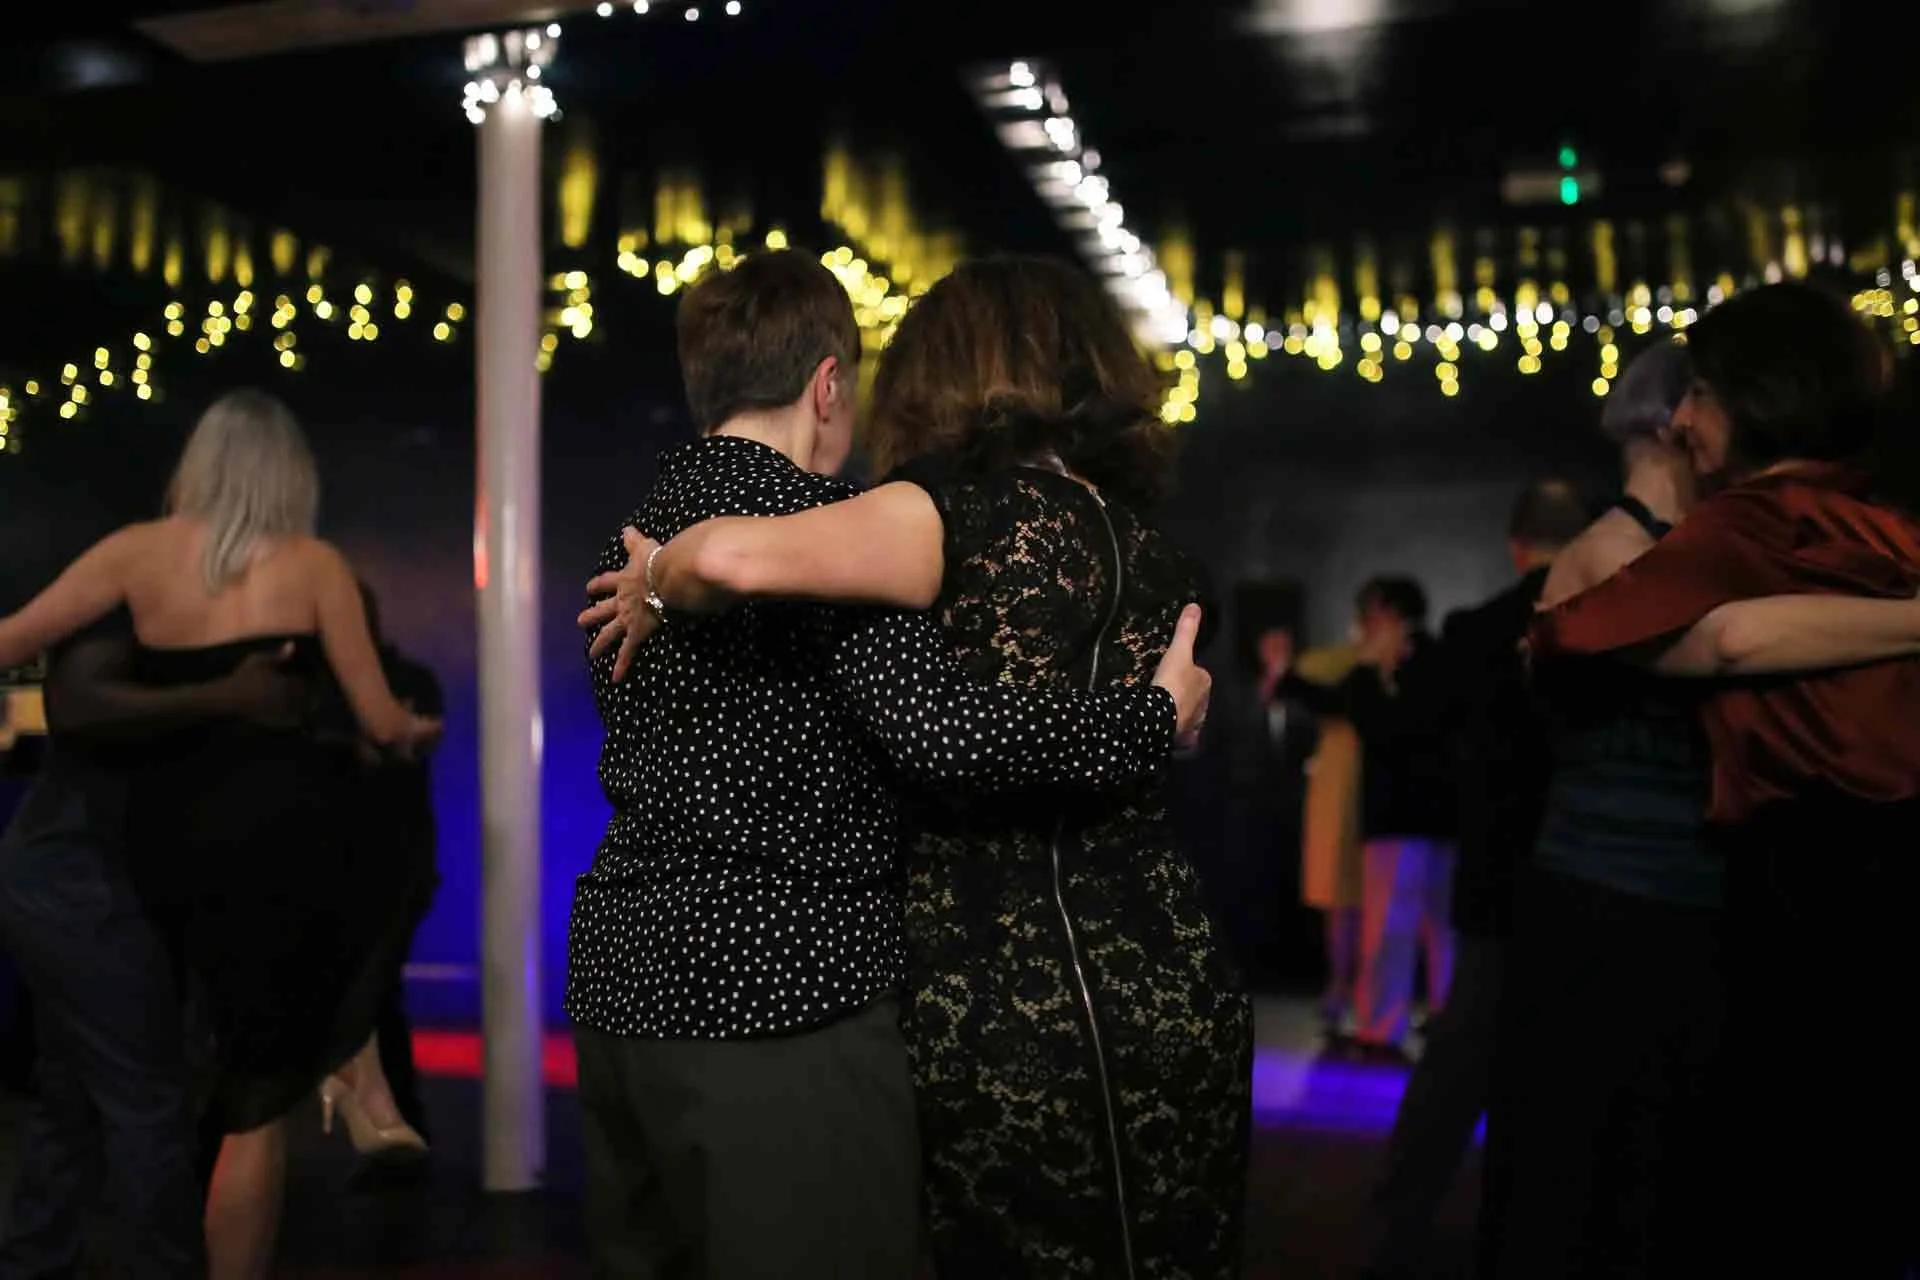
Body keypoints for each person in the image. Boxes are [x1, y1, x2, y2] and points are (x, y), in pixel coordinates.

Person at [584, 255, 1252, 1278]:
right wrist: (1145, 720)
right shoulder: (824, 540)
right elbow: (946, 732)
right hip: (784, 991)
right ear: (828, 385)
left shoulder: (631, 533)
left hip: (625, 981)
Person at [0, 389, 440, 1280]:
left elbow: (12, 642)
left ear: (197, 464)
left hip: (158, 856)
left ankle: (349, 1068)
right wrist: (408, 730)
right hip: (260, 858)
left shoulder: (136, 554)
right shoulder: (315, 566)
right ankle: (353, 1067)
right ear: (292, 474)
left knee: (120, 1087)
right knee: (235, 1100)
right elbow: (382, 722)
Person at [1530, 287, 1920, 1277]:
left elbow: (1579, 628)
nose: (1685, 418)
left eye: (1700, 392)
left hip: (1796, 897)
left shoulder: (1743, 524)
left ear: (1754, 396)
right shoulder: (1881, 522)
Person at [0, 618, 305, 1280]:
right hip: (76, 881)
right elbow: (75, 701)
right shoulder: (142, 592)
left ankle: (32, 1262)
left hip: (94, 879)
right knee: (148, 1103)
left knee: (73, 1095)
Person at [1361, 477, 1590, 1278]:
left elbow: (1421, 735)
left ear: (1516, 544)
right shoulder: (1617, 616)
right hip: (1602, 883)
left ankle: (1399, 1228)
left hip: (1500, 876)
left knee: (1460, 1063)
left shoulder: (1478, 631)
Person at [1271, 576, 1457, 1062]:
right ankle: (1449, 1022)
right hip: (1447, 818)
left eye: (1368, 613)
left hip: (1397, 816)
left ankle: (1380, 1030)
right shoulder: (1447, 659)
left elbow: (1376, 725)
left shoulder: (1387, 666)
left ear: (1387, 612)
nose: (1362, 626)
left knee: (1389, 931)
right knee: (1441, 930)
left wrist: (1366, 672)